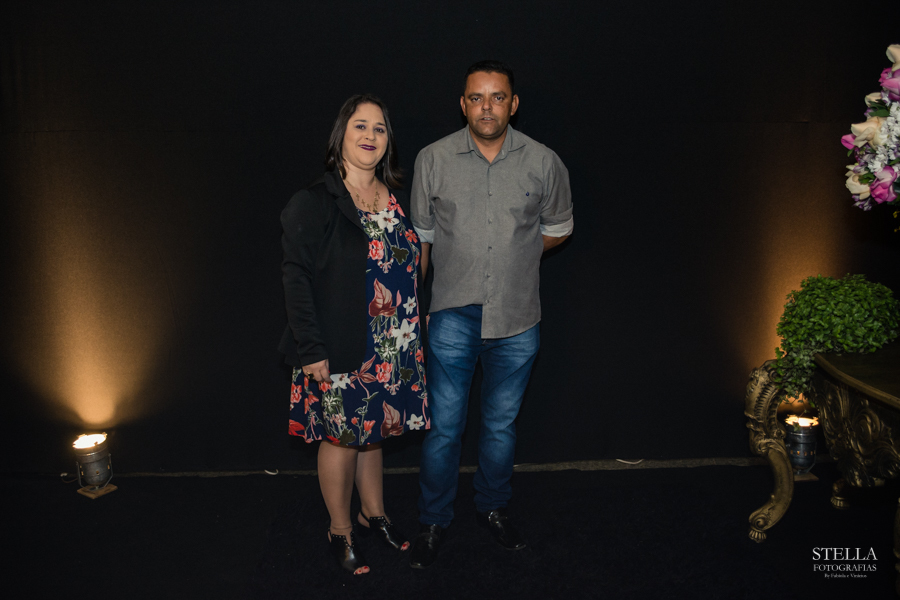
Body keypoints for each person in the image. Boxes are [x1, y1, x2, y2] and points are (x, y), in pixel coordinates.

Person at [408, 60, 573, 568]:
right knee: (444, 429)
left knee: (500, 427)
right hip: (451, 316)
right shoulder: (433, 159)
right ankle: (433, 520)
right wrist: (415, 308)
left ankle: (493, 507)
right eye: (476, 98)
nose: (487, 107)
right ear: (463, 104)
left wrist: (513, 256)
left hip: (517, 319)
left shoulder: (544, 162)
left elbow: (558, 228)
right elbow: (422, 241)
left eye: (497, 97)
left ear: (513, 104)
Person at [279, 94, 430, 575]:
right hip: (340, 344)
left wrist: (417, 315)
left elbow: (409, 264)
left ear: (388, 141)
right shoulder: (314, 201)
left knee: (374, 431)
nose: (370, 136)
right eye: (360, 126)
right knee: (343, 438)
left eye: (380, 128)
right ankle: (340, 529)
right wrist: (311, 349)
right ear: (340, 135)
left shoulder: (397, 198)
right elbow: (296, 280)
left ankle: (374, 514)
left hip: (393, 342)